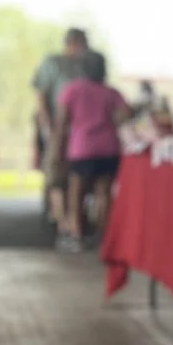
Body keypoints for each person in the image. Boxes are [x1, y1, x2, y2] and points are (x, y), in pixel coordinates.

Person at [54, 52, 130, 253]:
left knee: (76, 193)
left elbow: (62, 122)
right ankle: (102, 236)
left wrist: (58, 149)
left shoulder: (72, 90)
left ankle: (78, 236)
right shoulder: (111, 92)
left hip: (82, 148)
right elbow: (124, 115)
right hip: (108, 148)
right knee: (104, 192)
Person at [32, 28, 103, 232]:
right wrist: (48, 125)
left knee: (77, 175)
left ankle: (75, 218)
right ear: (74, 42)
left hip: (81, 130)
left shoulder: (86, 66)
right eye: (84, 42)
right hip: (58, 125)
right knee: (57, 172)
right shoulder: (53, 63)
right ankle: (60, 218)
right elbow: (42, 95)